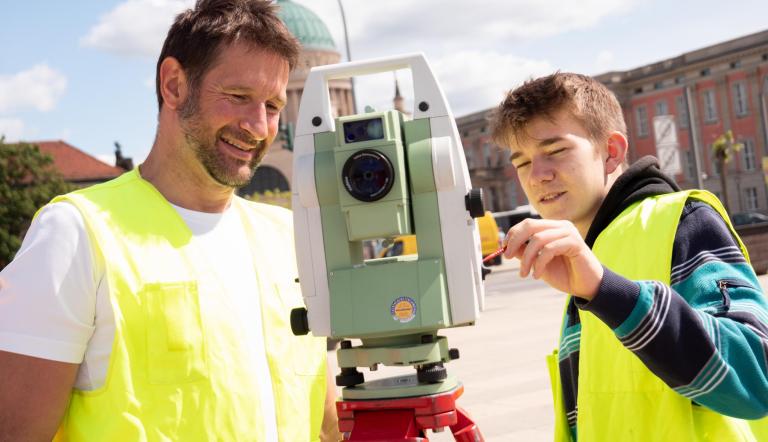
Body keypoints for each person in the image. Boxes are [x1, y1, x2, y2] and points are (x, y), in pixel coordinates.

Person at [0, 1, 340, 440]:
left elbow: (327, 425)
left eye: (273, 106)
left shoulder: (288, 238)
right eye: (238, 97)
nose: (258, 126)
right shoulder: (76, 234)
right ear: (175, 85)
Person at [491, 72, 768, 441]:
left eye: (555, 151)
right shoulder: (593, 248)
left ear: (611, 152)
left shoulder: (681, 221)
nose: (537, 175)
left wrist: (607, 290)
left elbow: (757, 376)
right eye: (522, 162)